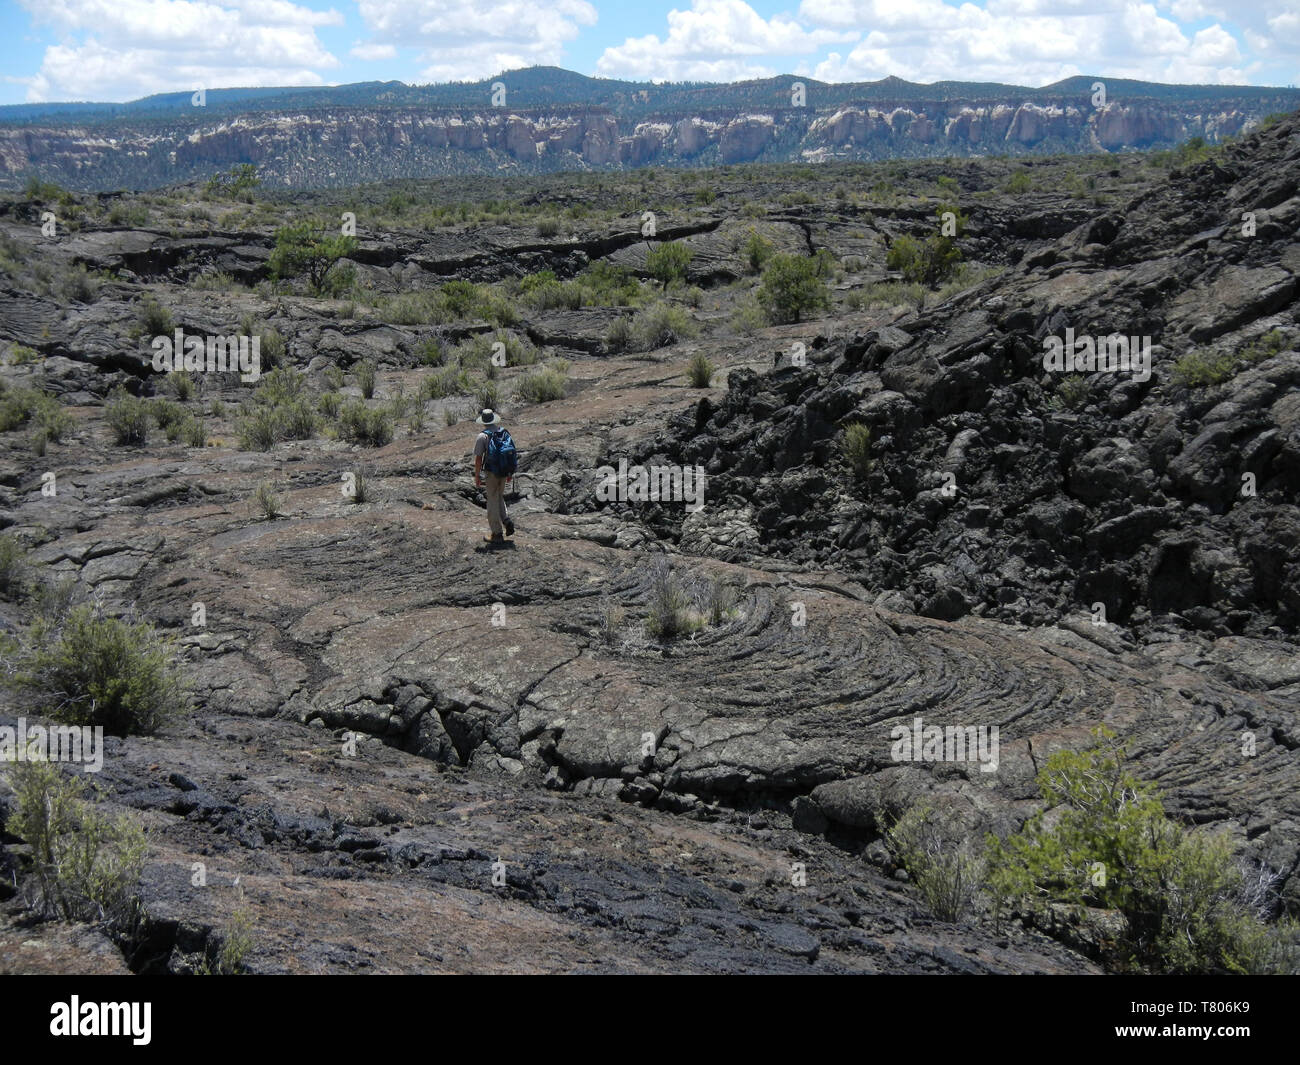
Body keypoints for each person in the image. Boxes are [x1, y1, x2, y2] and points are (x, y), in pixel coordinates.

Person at [473, 408, 515, 545]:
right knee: (499, 496)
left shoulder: (482, 436)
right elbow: (511, 453)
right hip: (504, 472)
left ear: (483, 422)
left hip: (491, 473)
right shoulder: (503, 432)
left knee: (492, 501)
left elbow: (479, 459)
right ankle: (506, 520)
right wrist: (509, 472)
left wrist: (477, 476)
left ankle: (496, 534)